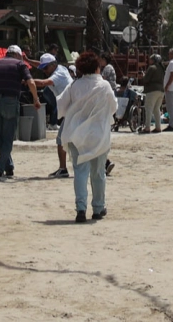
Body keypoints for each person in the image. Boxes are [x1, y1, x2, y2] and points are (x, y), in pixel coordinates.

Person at [57, 50, 116, 222]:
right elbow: (113, 107)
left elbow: (61, 105)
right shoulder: (104, 85)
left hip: (77, 135)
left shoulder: (75, 85)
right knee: (98, 173)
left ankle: (80, 209)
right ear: (97, 67)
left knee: (80, 173)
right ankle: (98, 208)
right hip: (98, 134)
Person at [0, 45, 40, 181]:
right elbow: (31, 82)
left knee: (0, 137)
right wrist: (36, 99)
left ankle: (8, 166)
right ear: (17, 55)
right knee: (8, 137)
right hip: (10, 101)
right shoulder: (20, 64)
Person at [45, 54, 74, 177]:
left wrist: (28, 81)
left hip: (71, 111)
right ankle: (105, 162)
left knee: (61, 139)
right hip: (72, 109)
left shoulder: (58, 75)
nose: (43, 70)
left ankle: (63, 169)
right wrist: (28, 61)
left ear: (53, 65)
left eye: (45, 68)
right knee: (82, 137)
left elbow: (45, 82)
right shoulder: (61, 68)